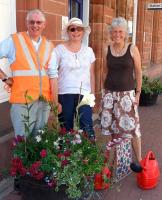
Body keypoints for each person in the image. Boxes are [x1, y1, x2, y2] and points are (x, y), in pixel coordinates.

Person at [0, 9, 59, 136]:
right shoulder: (14, 40)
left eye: (39, 22)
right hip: (22, 100)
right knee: (23, 143)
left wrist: (55, 101)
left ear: (44, 25)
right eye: (32, 22)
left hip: (43, 101)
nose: (35, 25)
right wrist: (5, 78)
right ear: (27, 23)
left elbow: (53, 75)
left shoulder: (49, 45)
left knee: (39, 139)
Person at [101, 17, 143, 172]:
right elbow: (105, 72)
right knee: (113, 129)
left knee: (133, 129)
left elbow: (138, 72)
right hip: (110, 95)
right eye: (114, 32)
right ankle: (115, 161)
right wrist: (103, 92)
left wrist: (138, 93)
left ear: (125, 34)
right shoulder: (107, 49)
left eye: (120, 32)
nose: (117, 34)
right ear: (111, 33)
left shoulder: (132, 48)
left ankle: (139, 161)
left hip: (127, 96)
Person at [48, 17, 96, 140]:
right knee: (66, 129)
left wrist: (92, 96)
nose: (76, 32)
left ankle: (89, 158)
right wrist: (55, 101)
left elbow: (91, 74)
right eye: (72, 29)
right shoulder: (59, 50)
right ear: (68, 32)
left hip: (84, 94)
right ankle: (66, 157)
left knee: (87, 127)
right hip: (65, 94)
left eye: (79, 29)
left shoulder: (89, 51)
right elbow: (52, 75)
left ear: (83, 31)